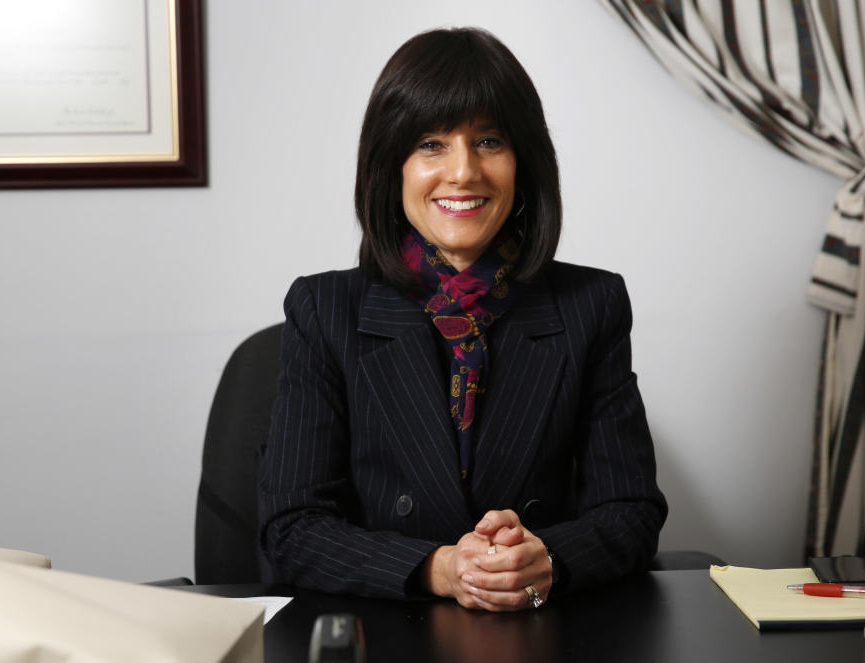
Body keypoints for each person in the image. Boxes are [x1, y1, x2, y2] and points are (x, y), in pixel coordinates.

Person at [258, 27, 667, 612]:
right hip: (382, 631)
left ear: (523, 163)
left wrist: (548, 558)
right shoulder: (324, 311)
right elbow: (289, 529)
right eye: (430, 143)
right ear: (390, 166)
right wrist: (441, 568)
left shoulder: (591, 304)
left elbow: (632, 511)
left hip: (538, 632)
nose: (463, 172)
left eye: (489, 141)